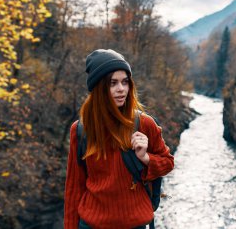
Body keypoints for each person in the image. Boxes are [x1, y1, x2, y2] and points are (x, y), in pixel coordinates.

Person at [64, 49, 175, 229]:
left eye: (125, 82)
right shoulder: (81, 130)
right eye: (112, 83)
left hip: (135, 224)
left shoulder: (144, 124)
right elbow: (74, 188)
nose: (121, 89)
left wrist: (145, 158)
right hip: (92, 224)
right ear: (99, 88)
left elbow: (168, 162)